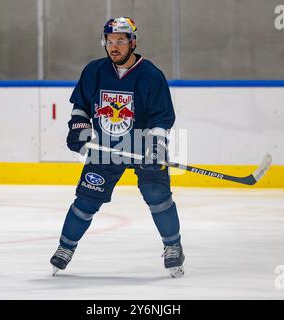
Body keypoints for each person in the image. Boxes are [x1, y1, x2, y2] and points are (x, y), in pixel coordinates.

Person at [50, 17, 185, 278]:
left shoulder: (151, 75)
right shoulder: (94, 71)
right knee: (86, 200)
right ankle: (65, 248)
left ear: (132, 42)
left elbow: (161, 117)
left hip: (142, 146)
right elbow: (81, 106)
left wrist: (157, 146)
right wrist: (79, 128)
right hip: (106, 148)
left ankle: (173, 246)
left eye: (120, 41)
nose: (114, 46)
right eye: (110, 41)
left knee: (158, 197)